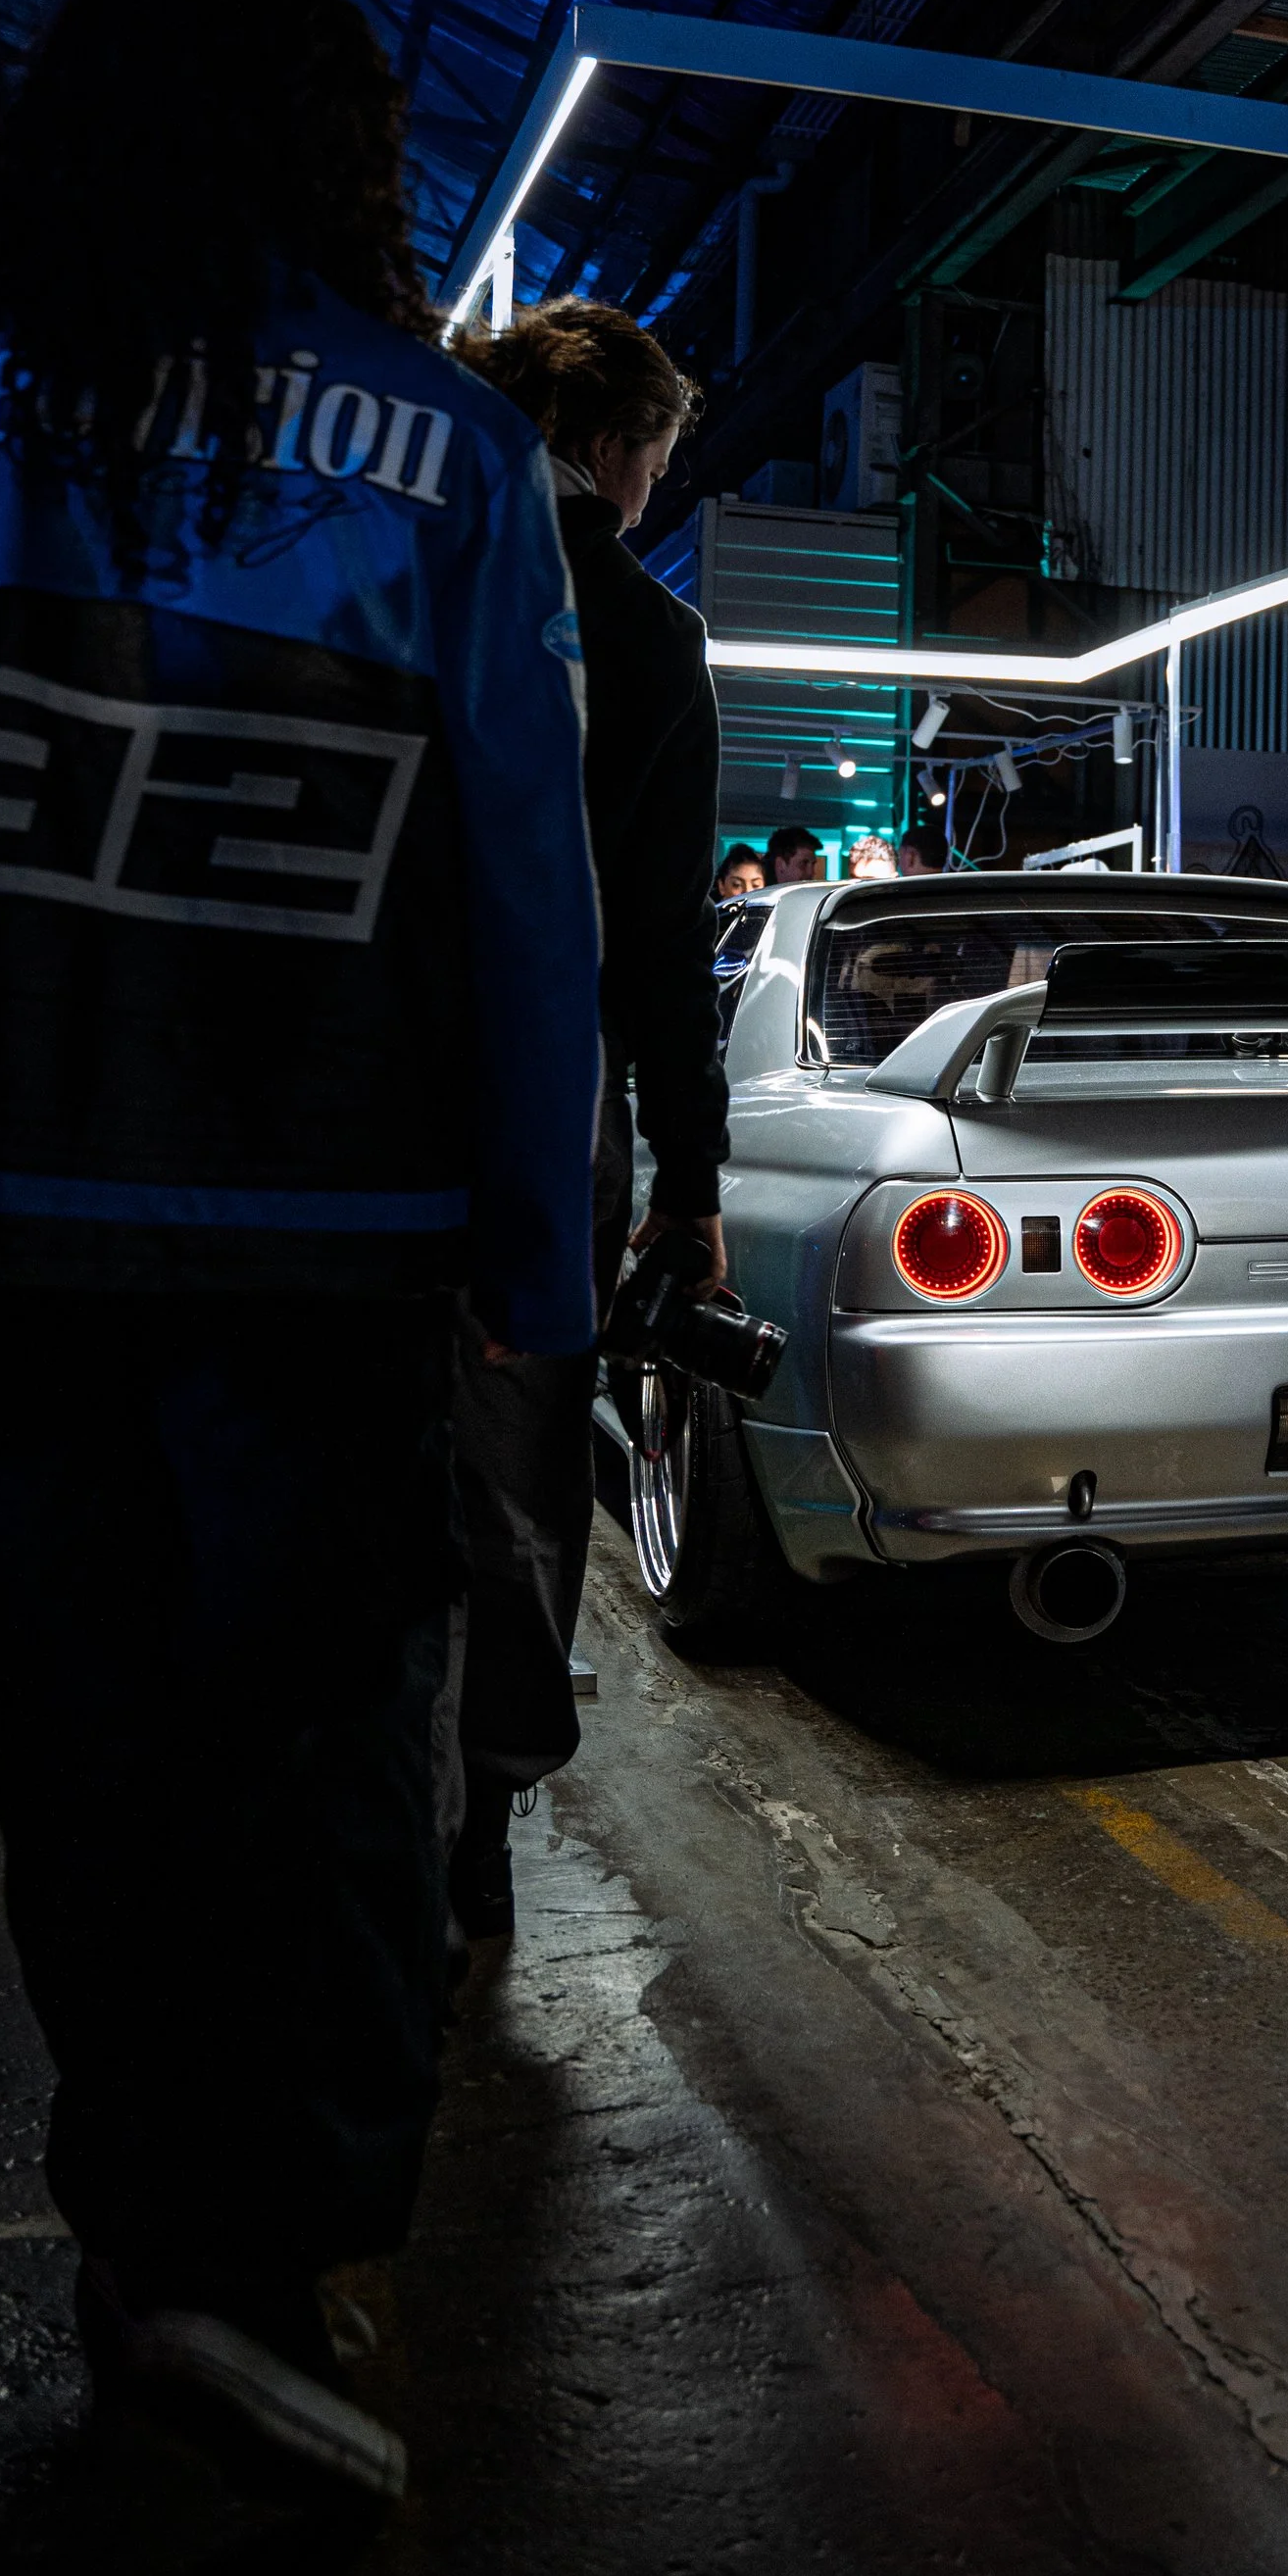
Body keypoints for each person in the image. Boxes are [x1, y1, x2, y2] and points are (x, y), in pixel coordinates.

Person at [0, 0, 599, 2503]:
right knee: (328, 1745)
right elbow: (525, 903)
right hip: (327, 1238)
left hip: (2, 1226)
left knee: (85, 1747)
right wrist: (538, 1258)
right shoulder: (451, 458)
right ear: (342, 152)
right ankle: (299, 2261)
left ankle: (144, 2246)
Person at [448, 301, 724, 1936]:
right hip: (543, 1114)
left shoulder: (397, 548)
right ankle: (476, 1827)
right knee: (515, 1478)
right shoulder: (639, 625)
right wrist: (690, 1178)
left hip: (341, 1100)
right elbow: (662, 947)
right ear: (619, 442)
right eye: (656, 466)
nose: (649, 499)